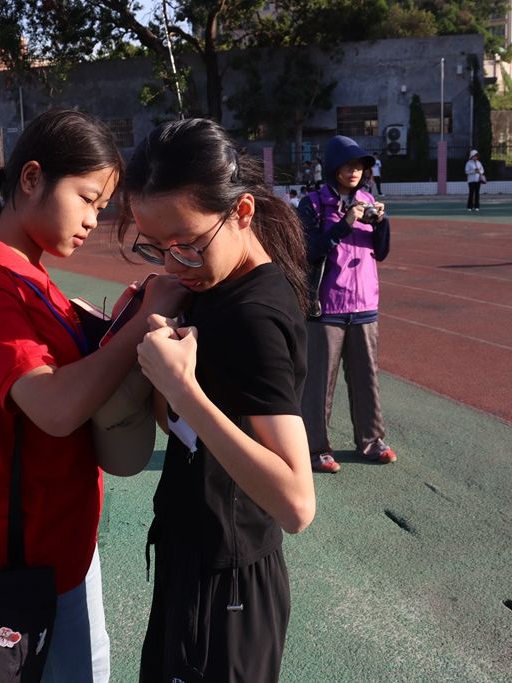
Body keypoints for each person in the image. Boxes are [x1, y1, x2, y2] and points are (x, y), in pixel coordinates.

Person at [0, 109, 186, 682]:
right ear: (32, 179)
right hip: (25, 556)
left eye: (100, 207)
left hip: (60, 539)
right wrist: (144, 321)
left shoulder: (31, 276)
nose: (91, 221)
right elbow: (54, 407)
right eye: (86, 199)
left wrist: (119, 321)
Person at [117, 118, 316, 681]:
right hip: (195, 561)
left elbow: (296, 504)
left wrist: (182, 387)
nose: (172, 265)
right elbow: (184, 432)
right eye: (155, 247)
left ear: (242, 212)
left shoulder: (253, 316)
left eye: (187, 244)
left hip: (227, 588)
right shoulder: (213, 286)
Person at [297, 135, 394, 474]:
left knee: (367, 378)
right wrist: (344, 224)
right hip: (327, 307)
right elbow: (308, 251)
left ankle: (371, 441)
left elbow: (381, 252)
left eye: (360, 166)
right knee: (319, 382)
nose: (354, 171)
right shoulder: (312, 204)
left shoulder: (368, 200)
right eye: (348, 165)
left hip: (365, 304)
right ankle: (315, 449)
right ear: (333, 167)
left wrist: (381, 224)